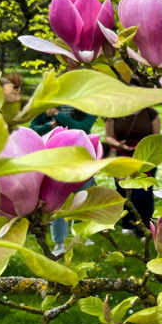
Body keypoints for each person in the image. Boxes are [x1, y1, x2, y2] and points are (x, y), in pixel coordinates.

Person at [30, 106, 97, 254]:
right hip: (54, 158)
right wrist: (51, 126)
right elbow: (32, 129)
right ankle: (60, 242)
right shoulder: (46, 106)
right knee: (55, 201)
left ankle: (80, 235)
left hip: (81, 159)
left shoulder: (87, 107)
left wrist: (57, 115)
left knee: (84, 196)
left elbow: (81, 130)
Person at [102, 107, 161, 236]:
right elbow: (109, 137)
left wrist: (141, 147)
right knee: (123, 191)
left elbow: (156, 137)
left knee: (142, 193)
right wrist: (120, 145)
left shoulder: (150, 113)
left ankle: (143, 228)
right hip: (122, 155)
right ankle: (127, 224)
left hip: (144, 157)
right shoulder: (113, 114)